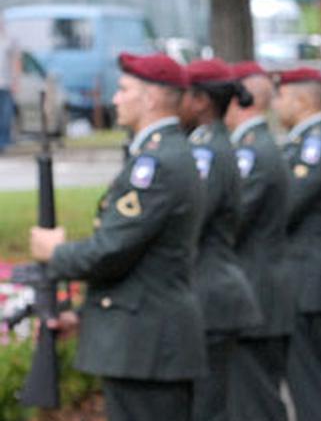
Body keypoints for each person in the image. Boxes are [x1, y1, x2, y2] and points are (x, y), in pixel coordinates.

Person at [30, 53, 207, 421]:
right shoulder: (161, 155)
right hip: (144, 339)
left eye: (124, 89)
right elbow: (143, 263)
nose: (114, 99)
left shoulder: (155, 164)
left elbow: (112, 250)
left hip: (147, 346)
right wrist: (85, 317)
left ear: (151, 98)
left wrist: (55, 251)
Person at [178, 58, 263, 421]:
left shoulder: (206, 152)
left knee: (207, 411)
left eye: (181, 95)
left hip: (209, 295)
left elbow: (190, 219)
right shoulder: (211, 145)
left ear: (200, 101)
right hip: (213, 293)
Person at [271, 66, 321, 421]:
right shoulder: (304, 143)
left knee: (310, 387)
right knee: (307, 384)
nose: (276, 105)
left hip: (311, 280)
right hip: (306, 278)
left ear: (302, 100)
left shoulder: (315, 144)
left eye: (281, 97)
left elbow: (285, 206)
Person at [224, 61, 293, 421]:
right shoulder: (256, 146)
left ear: (241, 99)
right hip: (262, 290)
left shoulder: (252, 151)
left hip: (257, 291)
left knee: (257, 404)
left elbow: (232, 219)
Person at [0, 22, 21, 152]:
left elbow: (16, 61)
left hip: (6, 84)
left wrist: (16, 81)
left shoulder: (9, 40)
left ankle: (3, 142)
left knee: (6, 114)